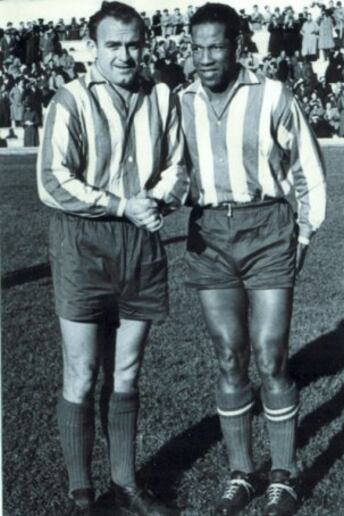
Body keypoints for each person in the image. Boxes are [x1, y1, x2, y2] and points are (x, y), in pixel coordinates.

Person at [37, 2, 188, 515]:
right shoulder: (70, 99)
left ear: (146, 44)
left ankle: (125, 485)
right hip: (83, 243)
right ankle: (82, 492)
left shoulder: (163, 96)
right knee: (81, 371)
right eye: (113, 45)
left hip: (140, 246)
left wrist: (156, 201)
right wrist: (123, 203)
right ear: (92, 48)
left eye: (134, 44)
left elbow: (177, 165)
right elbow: (53, 180)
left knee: (127, 369)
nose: (126, 55)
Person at [180, 4, 326, 516]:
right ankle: (241, 472)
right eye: (196, 47)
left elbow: (308, 165)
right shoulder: (180, 103)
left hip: (267, 228)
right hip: (210, 234)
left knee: (271, 355)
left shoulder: (272, 96)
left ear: (236, 46)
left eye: (215, 46)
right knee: (228, 354)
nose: (204, 57)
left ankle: (282, 475)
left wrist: (303, 236)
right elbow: (170, 171)